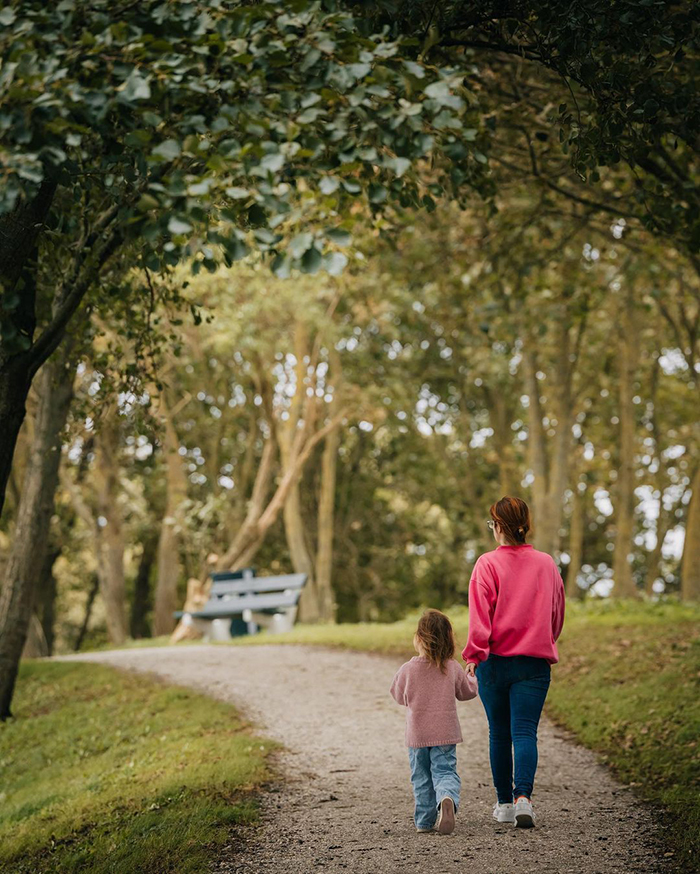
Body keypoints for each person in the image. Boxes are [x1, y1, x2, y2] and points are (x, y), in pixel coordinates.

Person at [462, 496, 565, 829]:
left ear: (497, 526)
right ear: (525, 525)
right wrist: (544, 637)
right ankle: (524, 799)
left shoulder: (486, 564)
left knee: (499, 734)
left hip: (494, 662)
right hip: (534, 664)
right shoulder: (547, 564)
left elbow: (480, 617)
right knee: (525, 733)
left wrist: (473, 655)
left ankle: (504, 804)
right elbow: (557, 613)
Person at [390, 609, 478, 835]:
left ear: (419, 638)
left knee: (421, 777)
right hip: (445, 732)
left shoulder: (408, 669)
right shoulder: (452, 667)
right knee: (444, 772)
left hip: (417, 735)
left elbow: (398, 696)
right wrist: (471, 676)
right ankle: (446, 798)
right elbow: (466, 693)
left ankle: (424, 821)